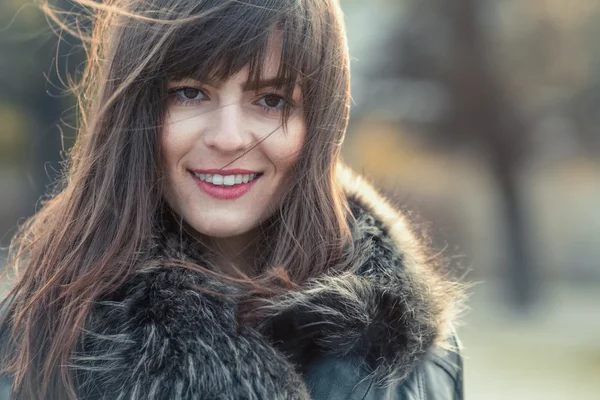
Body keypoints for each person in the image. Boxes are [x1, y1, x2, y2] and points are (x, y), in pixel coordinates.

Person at [0, 0, 465, 398]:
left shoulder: (418, 357)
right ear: (133, 112)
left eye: (271, 100)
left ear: (321, 124)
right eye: (189, 93)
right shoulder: (34, 347)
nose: (228, 138)